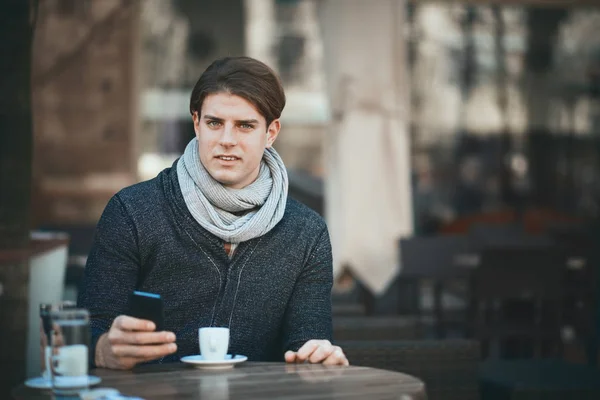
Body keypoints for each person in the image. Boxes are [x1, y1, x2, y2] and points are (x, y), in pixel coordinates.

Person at [78, 56, 348, 369]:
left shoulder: (306, 233)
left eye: (245, 126)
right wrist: (101, 348)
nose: (226, 140)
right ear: (196, 123)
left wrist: (318, 355)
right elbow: (87, 329)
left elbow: (307, 341)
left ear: (271, 132)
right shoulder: (132, 212)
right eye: (214, 123)